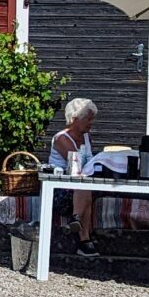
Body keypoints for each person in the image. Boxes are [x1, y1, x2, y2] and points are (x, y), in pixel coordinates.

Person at [48, 97, 99, 256]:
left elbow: (89, 165)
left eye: (92, 118)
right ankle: (84, 238)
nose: (91, 122)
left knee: (85, 188)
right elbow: (76, 165)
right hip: (59, 190)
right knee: (84, 186)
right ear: (74, 119)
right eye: (87, 118)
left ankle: (78, 226)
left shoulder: (86, 137)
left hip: (79, 187)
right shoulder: (61, 139)